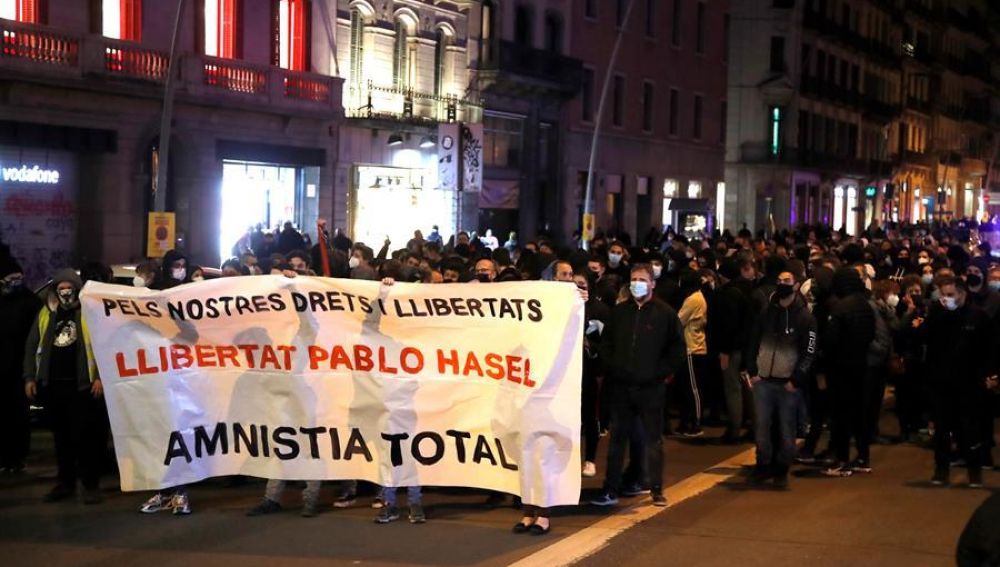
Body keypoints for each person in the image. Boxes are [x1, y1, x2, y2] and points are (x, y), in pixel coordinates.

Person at [591, 264, 687, 507]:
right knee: (616, 441)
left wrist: (659, 374)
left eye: (642, 279)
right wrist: (613, 367)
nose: (637, 283)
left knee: (653, 439)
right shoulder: (620, 312)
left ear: (652, 283)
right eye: (633, 279)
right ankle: (610, 489)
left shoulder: (665, 314)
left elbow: (677, 350)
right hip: (622, 387)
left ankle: (655, 488)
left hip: (651, 389)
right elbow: (607, 344)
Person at [23, 269, 106, 504]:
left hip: (82, 388)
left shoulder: (89, 314)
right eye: (61, 289)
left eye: (69, 288)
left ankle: (91, 485)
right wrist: (30, 377)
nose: (65, 293)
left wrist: (99, 377)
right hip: (54, 387)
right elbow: (31, 346)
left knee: (85, 439)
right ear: (55, 291)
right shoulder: (46, 314)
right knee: (61, 440)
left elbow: (102, 345)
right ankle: (65, 483)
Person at [745, 270, 817, 487]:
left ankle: (781, 469)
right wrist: (753, 370)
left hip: (787, 383)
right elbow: (753, 341)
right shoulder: (767, 312)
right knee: (761, 428)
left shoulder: (805, 317)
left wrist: (796, 379)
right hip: (764, 380)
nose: (782, 284)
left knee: (787, 430)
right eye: (779, 280)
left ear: (796, 286)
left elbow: (809, 350)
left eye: (787, 281)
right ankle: (763, 466)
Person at [922, 277, 995, 488]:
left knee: (970, 428)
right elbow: (924, 337)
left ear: (962, 294)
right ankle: (941, 469)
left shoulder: (978, 317)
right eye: (943, 295)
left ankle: (974, 471)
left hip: (969, 383)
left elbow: (988, 349)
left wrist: (987, 375)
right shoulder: (938, 315)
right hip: (941, 382)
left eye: (950, 295)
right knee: (942, 429)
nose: (946, 299)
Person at [822, 268, 876, 477]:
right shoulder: (865, 305)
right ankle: (863, 457)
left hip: (840, 367)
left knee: (841, 415)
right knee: (859, 414)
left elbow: (830, 339)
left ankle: (841, 459)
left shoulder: (839, 307)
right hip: (861, 364)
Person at [709, 256, 758, 444]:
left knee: (733, 389)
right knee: (748, 388)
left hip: (732, 349)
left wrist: (724, 350)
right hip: (748, 348)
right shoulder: (749, 290)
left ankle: (734, 429)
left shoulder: (727, 294)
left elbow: (726, 326)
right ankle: (755, 426)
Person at [0, 257, 41, 473]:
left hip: (18, 371)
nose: (14, 283)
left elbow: (35, 340)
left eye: (17, 279)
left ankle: (16, 457)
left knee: (18, 416)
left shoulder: (29, 302)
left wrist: (30, 374)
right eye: (9, 279)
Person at [675, 271, 709, 437]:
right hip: (693, 346)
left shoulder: (694, 299)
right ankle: (687, 421)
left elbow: (678, 319)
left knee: (693, 388)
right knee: (688, 388)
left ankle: (695, 422)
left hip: (692, 347)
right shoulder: (698, 297)